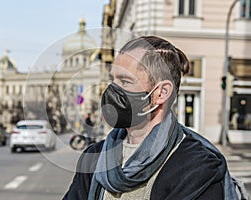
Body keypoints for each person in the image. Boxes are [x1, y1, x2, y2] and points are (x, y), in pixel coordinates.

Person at [63, 36, 243, 200]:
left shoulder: (198, 167)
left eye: (125, 81)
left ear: (161, 93)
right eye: (113, 80)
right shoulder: (94, 158)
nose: (111, 90)